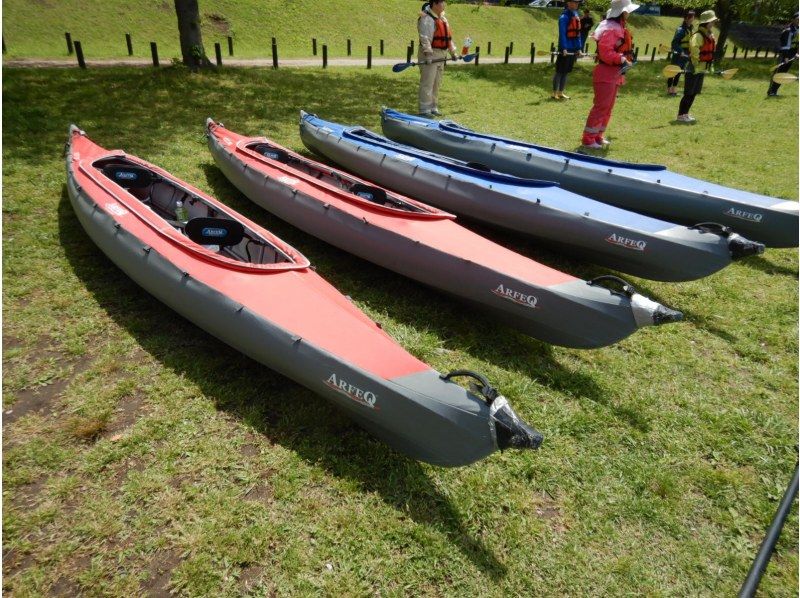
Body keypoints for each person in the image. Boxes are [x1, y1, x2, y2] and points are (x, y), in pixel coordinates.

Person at [580, 0, 637, 149]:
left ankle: (598, 135)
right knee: (601, 107)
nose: (629, 14)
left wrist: (625, 60)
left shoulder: (618, 27)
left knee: (608, 107)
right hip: (605, 73)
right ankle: (588, 139)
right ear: (622, 13)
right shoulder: (612, 29)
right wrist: (622, 58)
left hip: (614, 74)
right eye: (627, 11)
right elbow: (606, 52)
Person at [417, 0, 458, 117]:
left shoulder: (443, 19)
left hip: (441, 55)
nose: (444, 5)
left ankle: (433, 106)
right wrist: (428, 55)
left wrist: (453, 52)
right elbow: (425, 39)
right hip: (430, 54)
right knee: (428, 83)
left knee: (436, 83)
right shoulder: (427, 19)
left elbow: (448, 38)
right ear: (434, 4)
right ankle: (424, 109)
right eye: (441, 3)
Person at [676, 9, 718, 123]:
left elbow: (712, 52)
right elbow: (694, 51)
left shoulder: (710, 35)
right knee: (688, 93)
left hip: (702, 68)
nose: (714, 23)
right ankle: (680, 115)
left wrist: (711, 65)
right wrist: (696, 65)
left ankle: (686, 114)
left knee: (694, 93)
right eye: (712, 21)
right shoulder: (698, 36)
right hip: (693, 68)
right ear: (707, 22)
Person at [552, 0, 584, 100]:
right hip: (565, 49)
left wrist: (579, 48)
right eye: (573, 2)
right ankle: (554, 93)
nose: (576, 4)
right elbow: (562, 34)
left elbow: (578, 34)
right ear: (568, 3)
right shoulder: (564, 17)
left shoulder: (576, 15)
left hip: (573, 49)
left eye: (577, 3)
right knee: (559, 71)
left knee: (566, 72)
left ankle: (561, 92)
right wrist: (564, 47)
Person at [767, 12, 799, 97]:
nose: (799, 21)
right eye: (798, 19)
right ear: (793, 20)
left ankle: (774, 91)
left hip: (792, 53)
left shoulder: (798, 29)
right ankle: (771, 91)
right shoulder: (788, 30)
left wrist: (797, 54)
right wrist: (786, 57)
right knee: (779, 72)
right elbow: (785, 46)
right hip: (785, 54)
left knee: (784, 73)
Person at [666, 10, 695, 96]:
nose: (693, 19)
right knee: (673, 72)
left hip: (685, 55)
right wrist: (681, 51)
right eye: (692, 17)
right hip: (678, 55)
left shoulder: (690, 29)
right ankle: (669, 89)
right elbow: (674, 43)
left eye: (693, 17)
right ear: (687, 18)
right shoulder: (681, 30)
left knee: (679, 72)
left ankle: (674, 88)